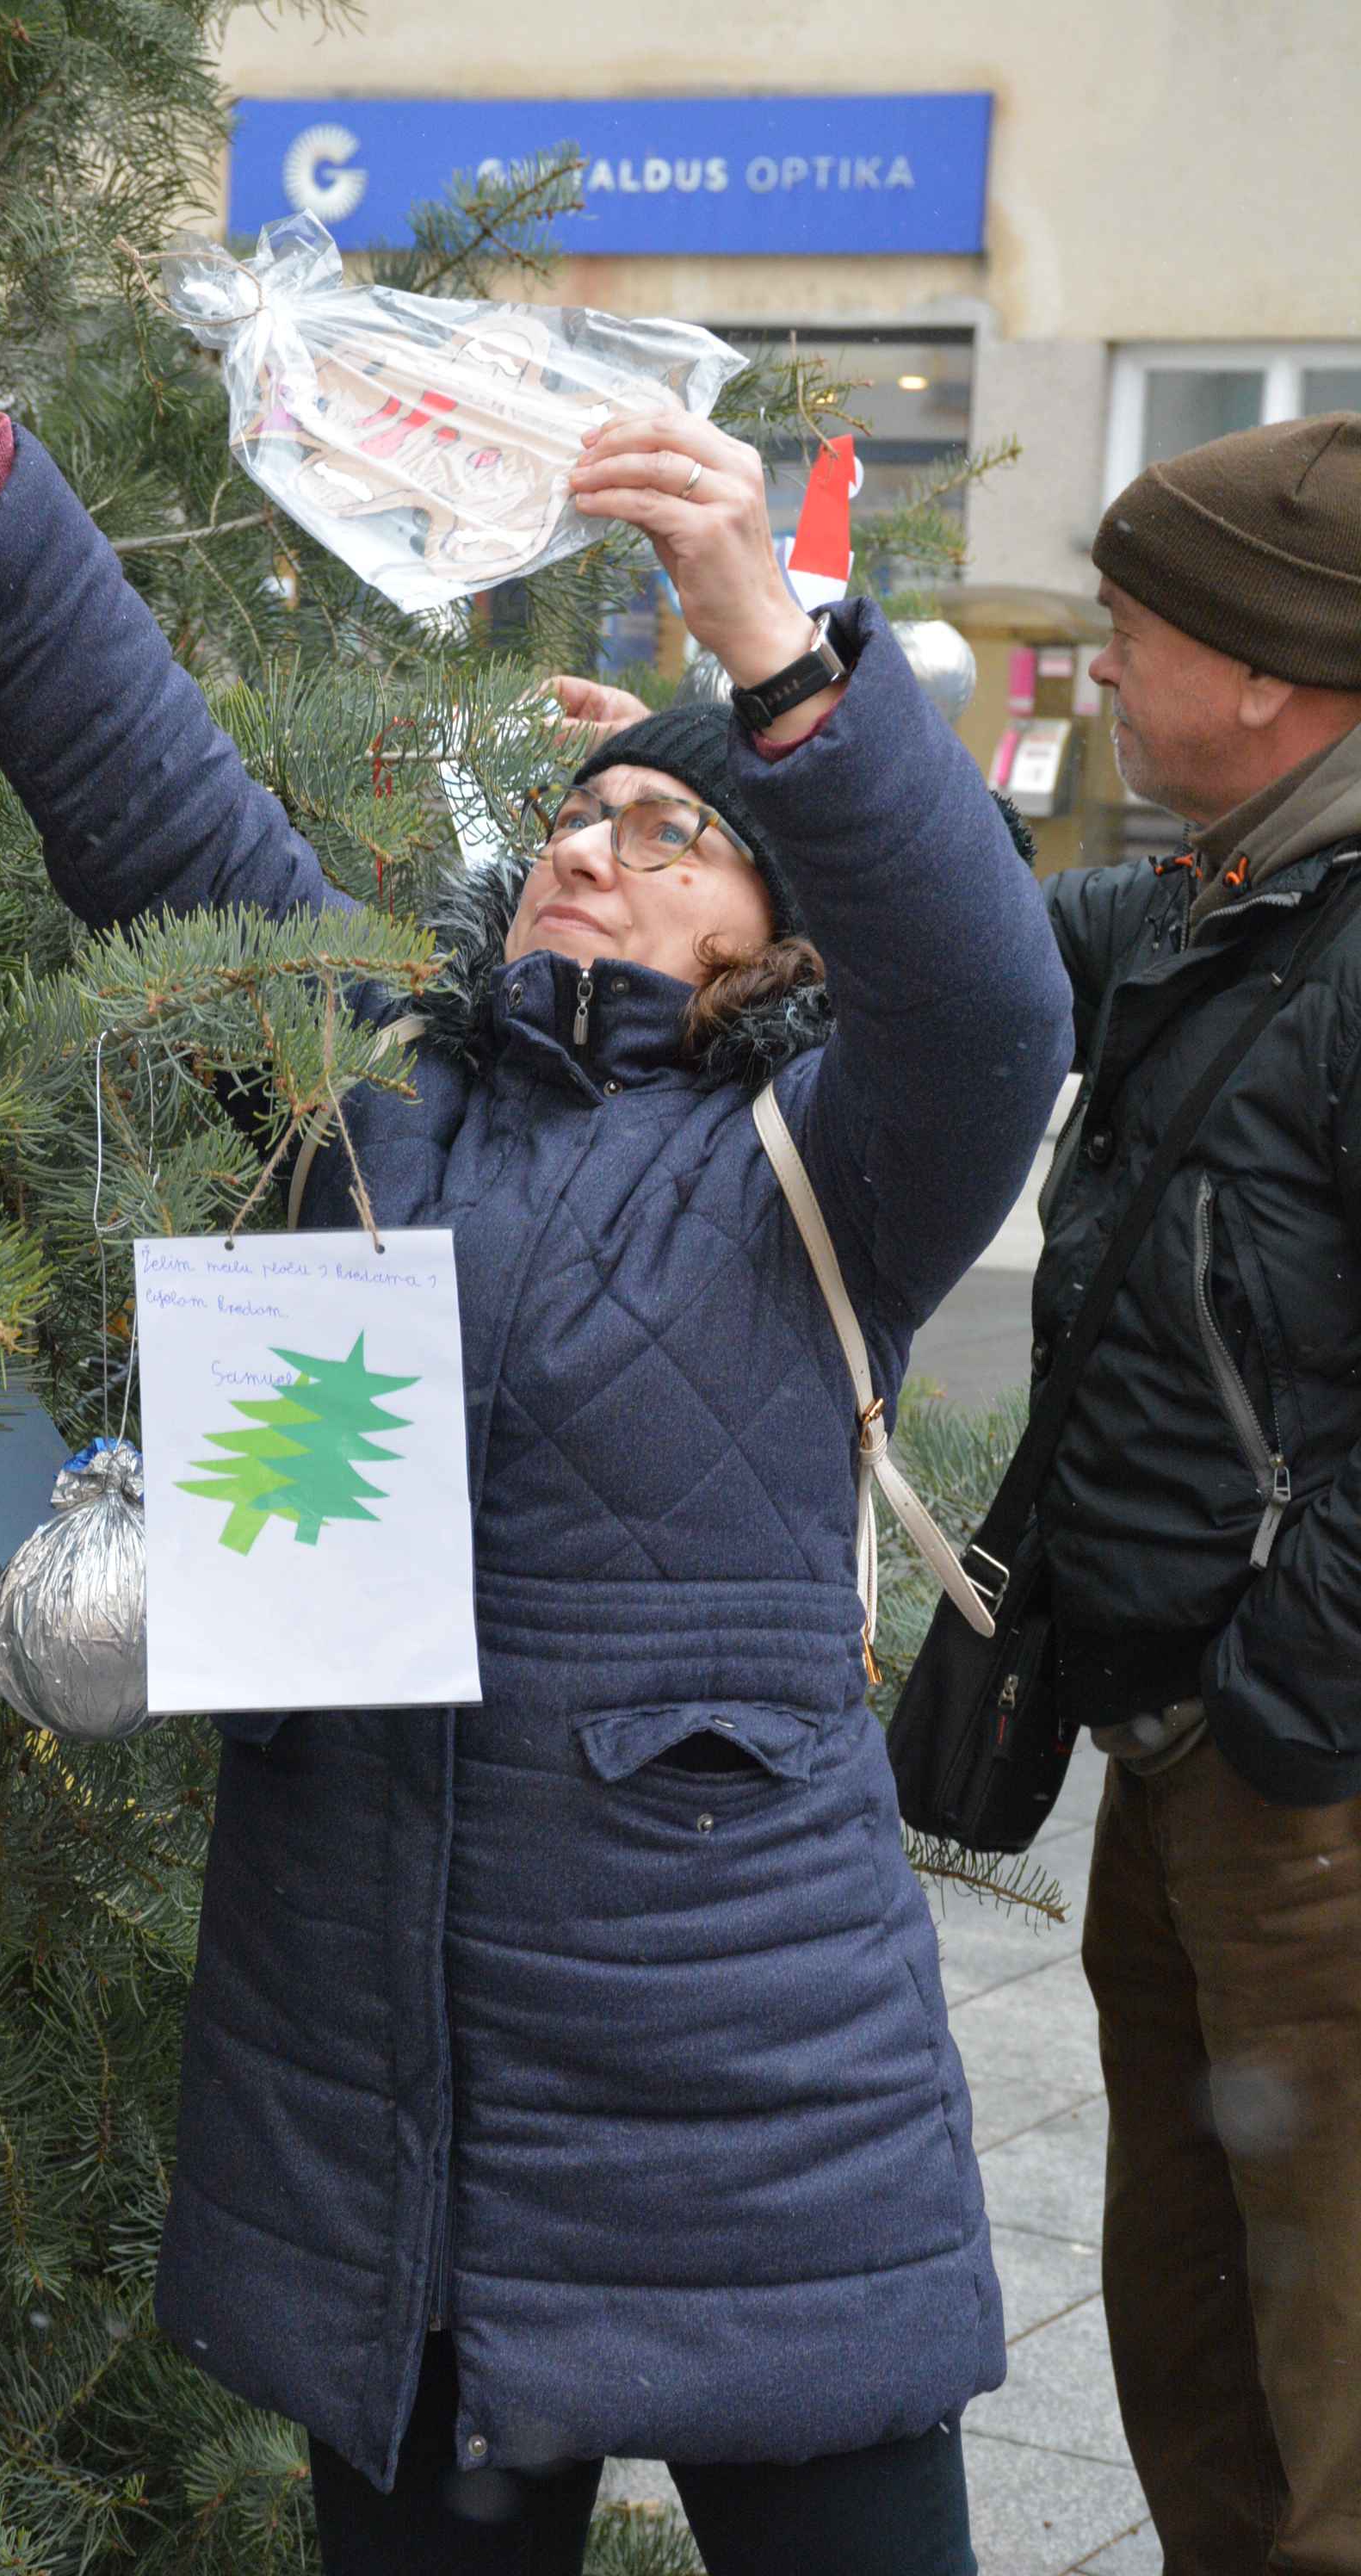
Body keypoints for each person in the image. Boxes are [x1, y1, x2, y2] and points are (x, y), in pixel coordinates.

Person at [0, 102, 1071, 2576]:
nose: (589, 840)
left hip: (749, 2113)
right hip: (389, 2112)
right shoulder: (371, 1081)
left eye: (668, 833)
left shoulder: (834, 1157)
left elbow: (994, 993)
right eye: (576, 813)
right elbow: (131, 777)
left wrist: (766, 654)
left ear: (780, 941)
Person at [1032, 415, 1361, 2576]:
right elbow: (954, 910)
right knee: (1194, 2349)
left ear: (1256, 671)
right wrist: (718, 747)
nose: (1086, 671)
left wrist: (1290, 1688)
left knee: (1336, 2394)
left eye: (1118, 633)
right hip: (1176, 1759)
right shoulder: (1221, 895)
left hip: (1304, 1793)